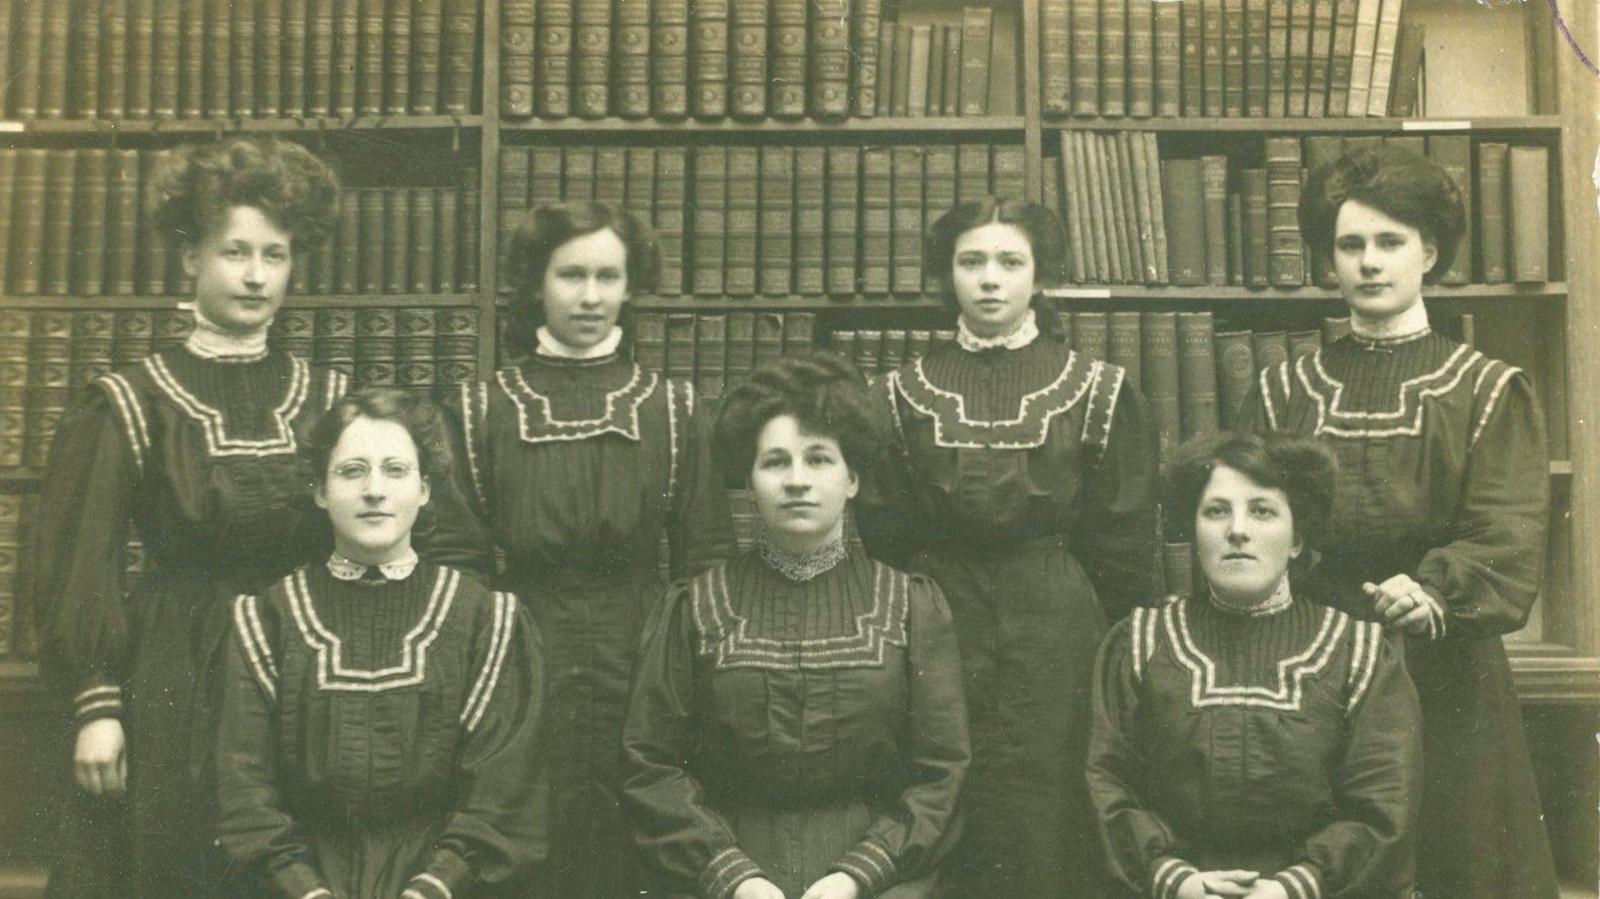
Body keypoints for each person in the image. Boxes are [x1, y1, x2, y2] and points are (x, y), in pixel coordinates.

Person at [19, 137, 344, 898]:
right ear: (190, 258)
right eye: (235, 251)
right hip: (173, 672)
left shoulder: (331, 398)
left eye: (276, 254)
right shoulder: (130, 402)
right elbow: (81, 566)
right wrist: (98, 705)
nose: (257, 274)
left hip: (302, 667)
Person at [1240, 143, 1560, 898]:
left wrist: (1435, 592)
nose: (1370, 262)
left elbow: (1507, 529)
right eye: (1350, 244)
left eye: (1391, 242)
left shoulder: (1485, 387)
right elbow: (1251, 521)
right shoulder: (1282, 388)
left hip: (1442, 667)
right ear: (1328, 259)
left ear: (1430, 252)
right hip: (1309, 662)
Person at [426, 200, 735, 896]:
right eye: (571, 275)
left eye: (608, 276)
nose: (590, 295)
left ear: (631, 287)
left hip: (649, 661)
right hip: (521, 662)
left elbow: (708, 560)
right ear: (537, 283)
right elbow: (459, 568)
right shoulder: (479, 410)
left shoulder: (676, 409)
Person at [856, 197, 1160, 897]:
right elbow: (885, 534)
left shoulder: (1101, 389)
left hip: (1061, 626)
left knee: (1053, 799)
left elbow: (1124, 548)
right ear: (947, 275)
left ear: (1040, 275)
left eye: (1010, 261)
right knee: (943, 786)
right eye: (971, 262)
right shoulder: (897, 394)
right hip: (936, 619)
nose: (990, 278)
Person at [623, 353, 970, 899]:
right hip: (721, 874)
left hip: (882, 879)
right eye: (775, 462)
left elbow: (940, 774)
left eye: (819, 459)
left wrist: (856, 876)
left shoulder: (910, 605)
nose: (797, 481)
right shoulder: (694, 606)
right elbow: (652, 766)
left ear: (853, 479)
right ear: (750, 480)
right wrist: (735, 878)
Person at [214, 388, 545, 899]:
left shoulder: (485, 617)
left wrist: (433, 888)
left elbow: (502, 795)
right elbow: (242, 793)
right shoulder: (266, 618)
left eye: (395, 470)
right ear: (320, 490)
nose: (375, 490)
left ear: (425, 488)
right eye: (351, 471)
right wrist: (304, 890)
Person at [1087, 432, 1422, 899]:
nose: (1237, 530)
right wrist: (1176, 880)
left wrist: (1290, 889)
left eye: (1262, 511)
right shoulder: (1140, 642)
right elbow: (1105, 783)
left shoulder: (1359, 652)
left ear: (1297, 540)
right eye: (1216, 511)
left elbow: (1384, 808)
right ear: (1195, 531)